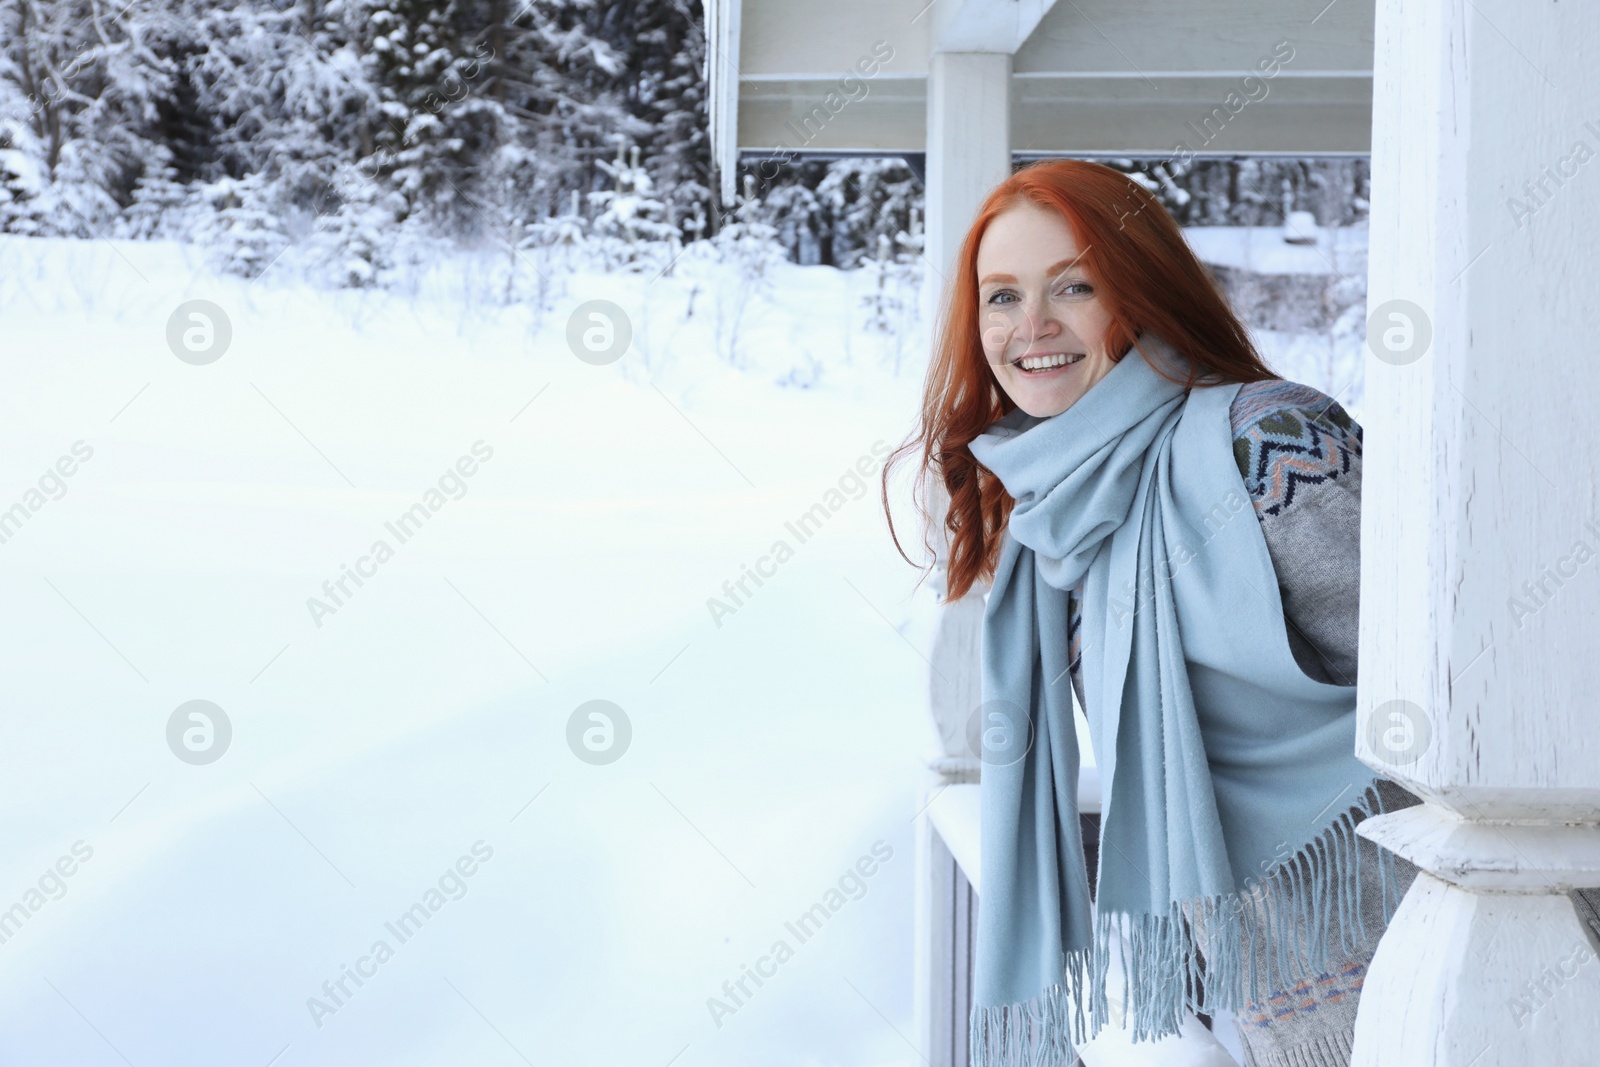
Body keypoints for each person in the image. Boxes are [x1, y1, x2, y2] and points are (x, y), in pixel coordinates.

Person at [880, 159, 1424, 1067]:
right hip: (1269, 1012)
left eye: (1074, 286)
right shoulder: (1056, 516)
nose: (1032, 327)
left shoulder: (1271, 445)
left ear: (1140, 291)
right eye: (1002, 296)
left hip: (1445, 977)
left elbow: (1449, 698)